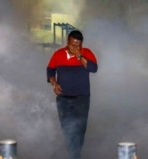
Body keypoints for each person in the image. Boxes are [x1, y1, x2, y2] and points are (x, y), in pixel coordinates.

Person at [46, 30, 98, 159]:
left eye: (78, 45)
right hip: (63, 98)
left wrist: (80, 56)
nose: (76, 48)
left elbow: (94, 69)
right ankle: (73, 154)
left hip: (82, 98)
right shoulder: (58, 54)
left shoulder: (86, 53)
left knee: (80, 128)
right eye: (73, 45)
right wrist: (54, 83)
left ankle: (75, 155)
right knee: (67, 127)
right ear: (67, 42)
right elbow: (50, 69)